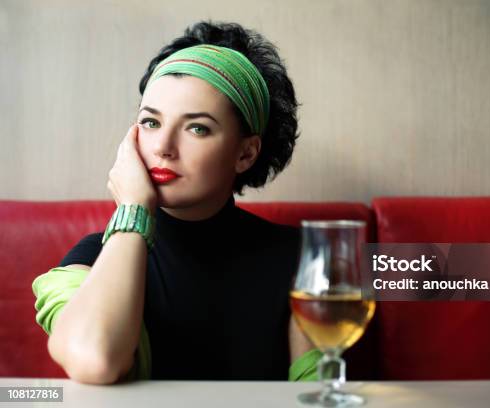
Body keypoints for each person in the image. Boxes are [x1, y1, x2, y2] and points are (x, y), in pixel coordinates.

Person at [32, 20, 321, 384]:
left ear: (246, 153)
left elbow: (320, 392)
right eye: (150, 122)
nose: (163, 147)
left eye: (197, 128)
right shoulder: (92, 258)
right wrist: (134, 211)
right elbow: (95, 361)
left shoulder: (300, 257)